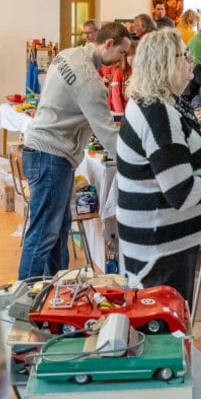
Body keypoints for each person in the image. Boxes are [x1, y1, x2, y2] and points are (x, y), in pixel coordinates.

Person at [116, 29, 201, 303]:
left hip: (162, 242)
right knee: (166, 332)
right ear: (165, 63)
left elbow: (177, 151)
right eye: (185, 55)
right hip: (160, 248)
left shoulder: (158, 102)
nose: (192, 61)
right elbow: (182, 194)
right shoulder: (158, 115)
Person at [18, 22, 132, 280]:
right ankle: (24, 302)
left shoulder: (68, 54)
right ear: (108, 43)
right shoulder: (90, 81)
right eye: (121, 53)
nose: (121, 60)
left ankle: (53, 290)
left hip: (41, 151)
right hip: (51, 155)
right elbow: (108, 137)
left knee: (58, 230)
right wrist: (137, 167)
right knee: (43, 234)